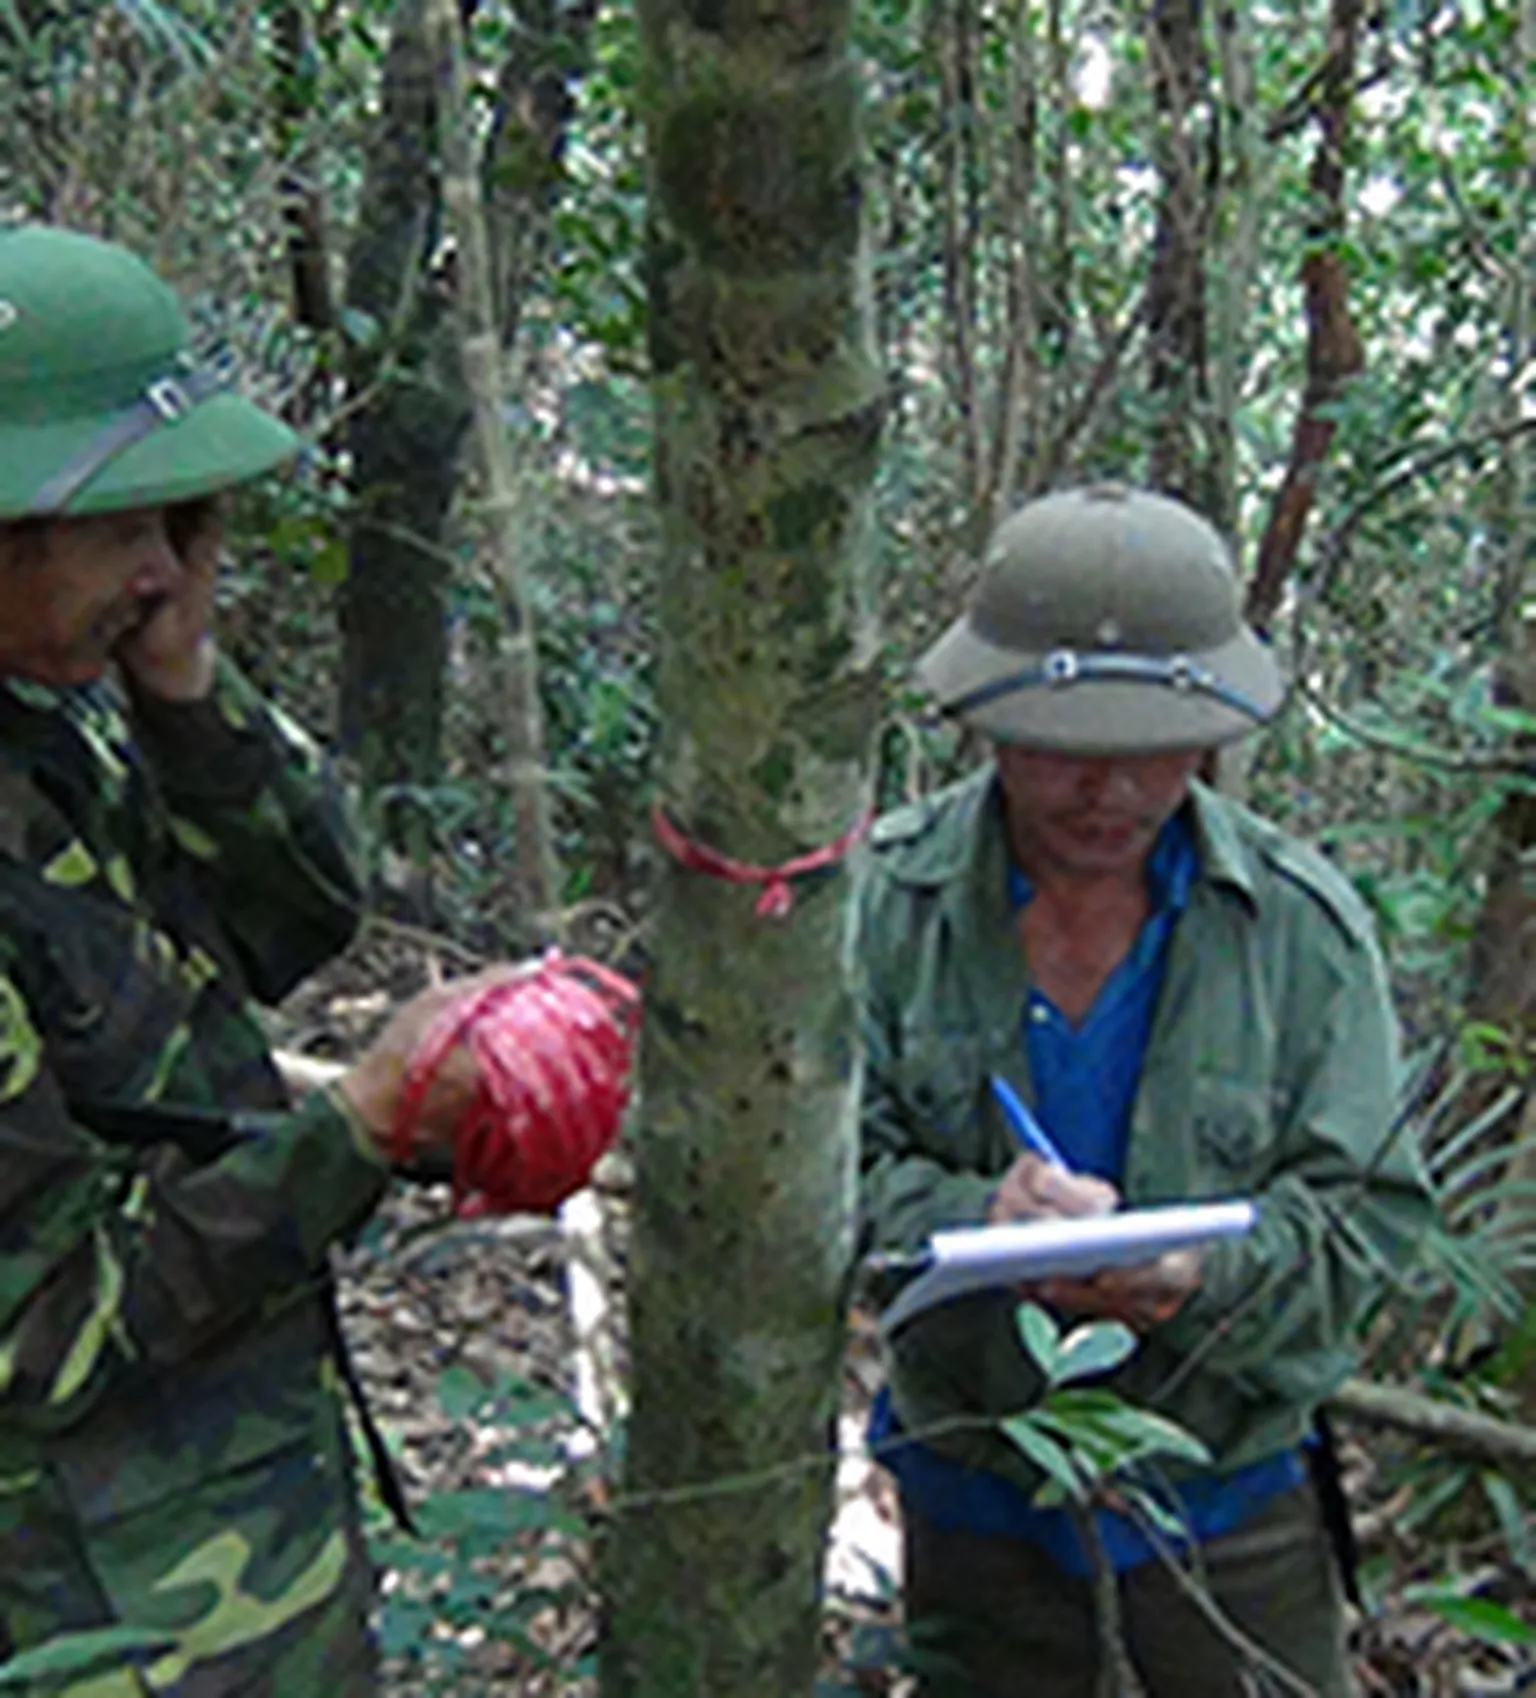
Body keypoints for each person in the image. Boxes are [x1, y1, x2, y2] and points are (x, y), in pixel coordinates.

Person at [0, 224, 543, 1693]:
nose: (166, 568)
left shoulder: (58, 713)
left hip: (234, 1547)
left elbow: (293, 917)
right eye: (129, 526)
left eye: (185, 522)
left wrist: (181, 686)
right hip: (94, 1617)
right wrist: (357, 1129)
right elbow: (50, 1324)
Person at [856, 483, 1436, 1698]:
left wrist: (1200, 1278)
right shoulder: (882, 908)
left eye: (1148, 753)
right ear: (991, 723)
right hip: (977, 1500)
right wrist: (967, 1226)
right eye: (1068, 748)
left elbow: (1370, 1218)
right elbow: (803, 1178)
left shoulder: (1299, 931)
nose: (1106, 793)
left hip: (1230, 1503)